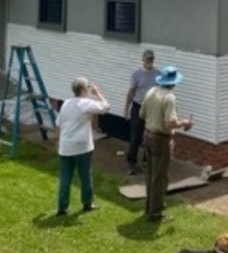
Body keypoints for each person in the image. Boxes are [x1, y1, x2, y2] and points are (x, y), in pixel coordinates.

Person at [140, 65, 193, 222]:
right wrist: (185, 123)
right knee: (160, 178)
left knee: (150, 174)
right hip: (161, 139)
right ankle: (156, 213)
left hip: (147, 134)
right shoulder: (169, 97)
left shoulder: (151, 91)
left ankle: (149, 207)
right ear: (174, 82)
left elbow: (141, 114)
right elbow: (169, 123)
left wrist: (154, 120)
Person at [56, 77, 110, 216]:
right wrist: (97, 93)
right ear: (83, 89)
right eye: (88, 86)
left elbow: (59, 123)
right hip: (82, 147)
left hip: (65, 146)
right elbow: (106, 107)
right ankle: (87, 204)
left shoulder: (66, 103)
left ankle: (62, 207)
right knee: (85, 176)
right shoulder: (86, 103)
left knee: (65, 178)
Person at [123, 50, 158, 175]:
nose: (149, 61)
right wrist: (126, 109)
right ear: (143, 60)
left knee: (150, 136)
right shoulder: (136, 74)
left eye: (151, 59)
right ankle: (131, 162)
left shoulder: (158, 75)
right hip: (138, 106)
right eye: (147, 59)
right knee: (136, 136)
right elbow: (131, 92)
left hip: (152, 108)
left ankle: (146, 162)